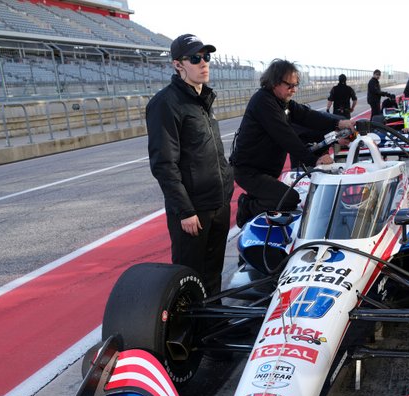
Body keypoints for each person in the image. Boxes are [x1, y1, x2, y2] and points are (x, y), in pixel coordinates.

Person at [146, 33, 233, 296]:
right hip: (193, 210)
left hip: (218, 203)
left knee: (213, 274)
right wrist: (184, 211)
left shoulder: (203, 99)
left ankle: (213, 331)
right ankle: (190, 335)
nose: (203, 63)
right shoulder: (165, 103)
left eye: (206, 57)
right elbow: (164, 163)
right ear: (178, 65)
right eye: (195, 58)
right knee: (189, 279)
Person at [231, 59, 354, 227]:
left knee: (276, 198)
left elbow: (307, 115)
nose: (294, 90)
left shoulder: (283, 102)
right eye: (290, 86)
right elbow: (285, 136)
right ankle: (247, 207)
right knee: (289, 199)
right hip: (250, 171)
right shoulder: (263, 102)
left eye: (296, 85)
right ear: (275, 82)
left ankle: (254, 208)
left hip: (265, 171)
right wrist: (314, 160)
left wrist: (338, 123)